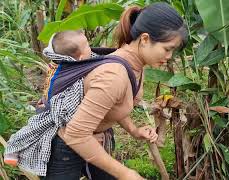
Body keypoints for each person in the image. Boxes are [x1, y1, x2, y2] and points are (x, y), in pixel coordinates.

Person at [6, 2, 188, 180]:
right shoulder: (113, 76)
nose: (169, 57)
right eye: (167, 49)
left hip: (95, 142)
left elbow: (111, 103)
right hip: (65, 148)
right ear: (145, 39)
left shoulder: (137, 66)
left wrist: (134, 130)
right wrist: (126, 173)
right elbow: (75, 134)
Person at [3, 30, 92, 167]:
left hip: (47, 99)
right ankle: (13, 148)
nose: (90, 48)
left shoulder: (59, 60)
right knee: (36, 127)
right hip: (48, 105)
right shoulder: (70, 69)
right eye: (88, 46)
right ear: (80, 58)